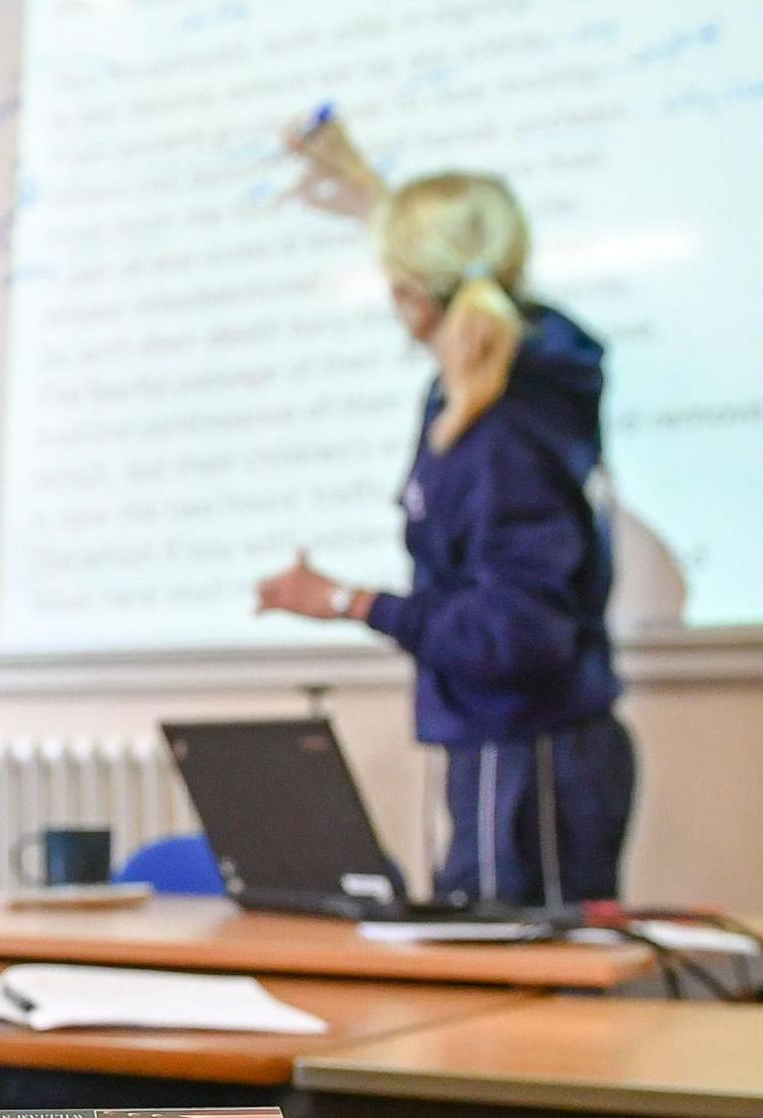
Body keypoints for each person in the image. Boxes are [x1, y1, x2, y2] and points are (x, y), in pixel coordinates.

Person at [255, 137, 633, 907]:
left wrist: (348, 602)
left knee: (517, 1007)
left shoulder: (502, 431)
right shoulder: (514, 384)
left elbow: (517, 632)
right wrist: (367, 192)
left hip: (527, 756)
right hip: (513, 746)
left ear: (412, 297)